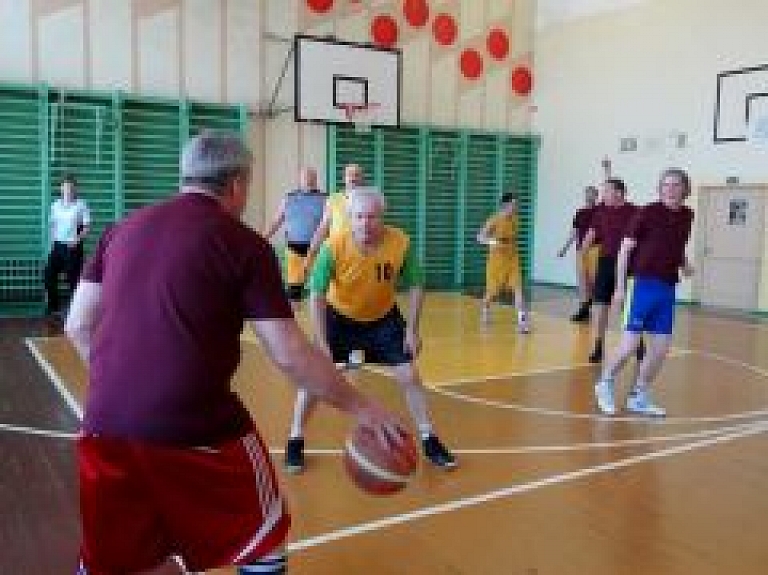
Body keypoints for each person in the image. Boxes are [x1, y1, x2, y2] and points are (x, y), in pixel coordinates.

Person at [64, 131, 414, 575]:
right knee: (263, 536)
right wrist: (363, 407)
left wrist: (121, 386)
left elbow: (77, 324)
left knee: (109, 560)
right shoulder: (243, 244)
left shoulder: (120, 231)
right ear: (236, 184)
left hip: (103, 423)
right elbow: (289, 353)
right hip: (197, 428)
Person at [284, 187, 457, 473]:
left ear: (382, 218)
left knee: (409, 374)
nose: (365, 223)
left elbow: (416, 284)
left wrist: (412, 330)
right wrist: (322, 341)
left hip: (382, 320)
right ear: (350, 218)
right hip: (339, 318)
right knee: (314, 378)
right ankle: (295, 437)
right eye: (359, 217)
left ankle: (428, 438)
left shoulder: (400, 243)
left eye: (372, 217)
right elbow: (316, 293)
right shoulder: (334, 246)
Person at [594, 168, 694, 416]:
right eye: (666, 185)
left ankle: (639, 395)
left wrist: (684, 264)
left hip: (667, 288)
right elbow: (624, 251)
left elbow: (676, 244)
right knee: (629, 346)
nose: (670, 189)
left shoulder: (687, 216)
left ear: (685, 189)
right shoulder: (646, 213)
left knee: (660, 350)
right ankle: (604, 383)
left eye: (676, 185)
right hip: (640, 285)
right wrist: (619, 287)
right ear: (659, 189)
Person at [579, 176, 638, 363]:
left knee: (626, 307)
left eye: (606, 191)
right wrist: (583, 252)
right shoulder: (601, 213)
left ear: (618, 193)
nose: (603, 194)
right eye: (602, 191)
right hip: (605, 262)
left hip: (628, 264)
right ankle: (598, 345)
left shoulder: (635, 212)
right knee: (601, 305)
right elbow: (591, 234)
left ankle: (637, 342)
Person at [264, 167, 328, 304]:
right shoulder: (289, 198)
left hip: (318, 251)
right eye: (306, 177)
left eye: (312, 176)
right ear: (300, 179)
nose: (309, 179)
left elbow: (331, 225)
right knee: (294, 293)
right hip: (294, 250)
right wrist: (263, 238)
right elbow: (277, 220)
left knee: (318, 292)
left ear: (316, 179)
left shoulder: (326, 199)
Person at [477, 192, 531, 333]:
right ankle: (485, 308)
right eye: (513, 204)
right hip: (496, 262)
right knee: (492, 293)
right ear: (505, 205)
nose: (516, 207)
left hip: (512, 260)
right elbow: (479, 237)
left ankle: (522, 322)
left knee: (518, 290)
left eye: (516, 204)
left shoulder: (515, 220)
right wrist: (492, 241)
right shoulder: (494, 219)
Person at [43, 174, 90, 320]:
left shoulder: (81, 205)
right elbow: (53, 226)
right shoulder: (55, 205)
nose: (68, 190)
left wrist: (77, 239)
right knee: (48, 275)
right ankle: (53, 308)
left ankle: (74, 312)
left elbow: (87, 227)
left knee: (73, 281)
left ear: (75, 189)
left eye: (71, 187)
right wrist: (52, 244)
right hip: (58, 246)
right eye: (65, 187)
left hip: (73, 247)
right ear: (61, 188)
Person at [557, 185, 600, 322]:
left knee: (594, 280)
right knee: (582, 280)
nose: (589, 196)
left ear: (597, 196)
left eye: (592, 194)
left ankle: (594, 305)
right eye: (588, 193)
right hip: (580, 250)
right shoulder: (580, 212)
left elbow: (609, 187)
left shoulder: (599, 211)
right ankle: (584, 309)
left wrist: (607, 170)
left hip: (595, 249)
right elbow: (574, 232)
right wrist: (564, 248)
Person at [305, 163, 363, 262]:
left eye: (356, 175)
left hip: (361, 255)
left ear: (361, 179)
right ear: (344, 178)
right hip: (336, 254)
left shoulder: (368, 199)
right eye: (350, 175)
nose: (353, 178)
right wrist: (310, 254)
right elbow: (323, 228)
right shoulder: (333, 199)